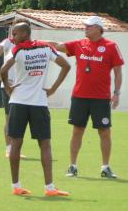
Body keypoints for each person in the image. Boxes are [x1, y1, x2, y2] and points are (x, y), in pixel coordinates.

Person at [48, 16, 124, 178]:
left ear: (98, 28)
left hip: (101, 98)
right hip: (79, 96)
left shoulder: (111, 47)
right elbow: (58, 46)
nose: (86, 28)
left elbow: (118, 72)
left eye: (89, 26)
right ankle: (72, 166)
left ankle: (105, 167)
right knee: (77, 131)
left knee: (104, 132)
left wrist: (116, 93)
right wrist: (35, 42)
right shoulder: (79, 44)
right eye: (85, 26)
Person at [1, 22, 71, 196]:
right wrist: (53, 89)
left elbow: (3, 70)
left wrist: (8, 89)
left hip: (18, 102)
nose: (13, 37)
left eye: (15, 34)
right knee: (45, 144)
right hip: (39, 103)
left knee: (16, 143)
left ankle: (16, 186)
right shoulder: (45, 48)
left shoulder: (17, 50)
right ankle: (49, 188)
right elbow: (66, 66)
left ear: (25, 34)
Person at [0, 18, 30, 158]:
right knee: (9, 118)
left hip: (22, 87)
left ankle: (16, 149)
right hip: (8, 86)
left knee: (20, 119)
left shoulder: (30, 46)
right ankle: (9, 149)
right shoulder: (7, 43)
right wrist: (1, 77)